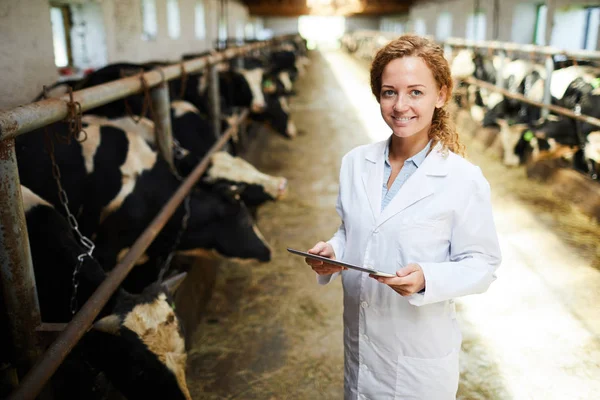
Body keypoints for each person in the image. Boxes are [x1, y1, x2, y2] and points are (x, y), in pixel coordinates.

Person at [305, 34, 502, 400]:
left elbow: (482, 264)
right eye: (389, 92)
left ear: (441, 95)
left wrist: (429, 278)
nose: (400, 106)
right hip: (361, 351)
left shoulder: (462, 179)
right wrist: (334, 251)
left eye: (416, 92)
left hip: (418, 364)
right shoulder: (355, 163)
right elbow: (353, 230)